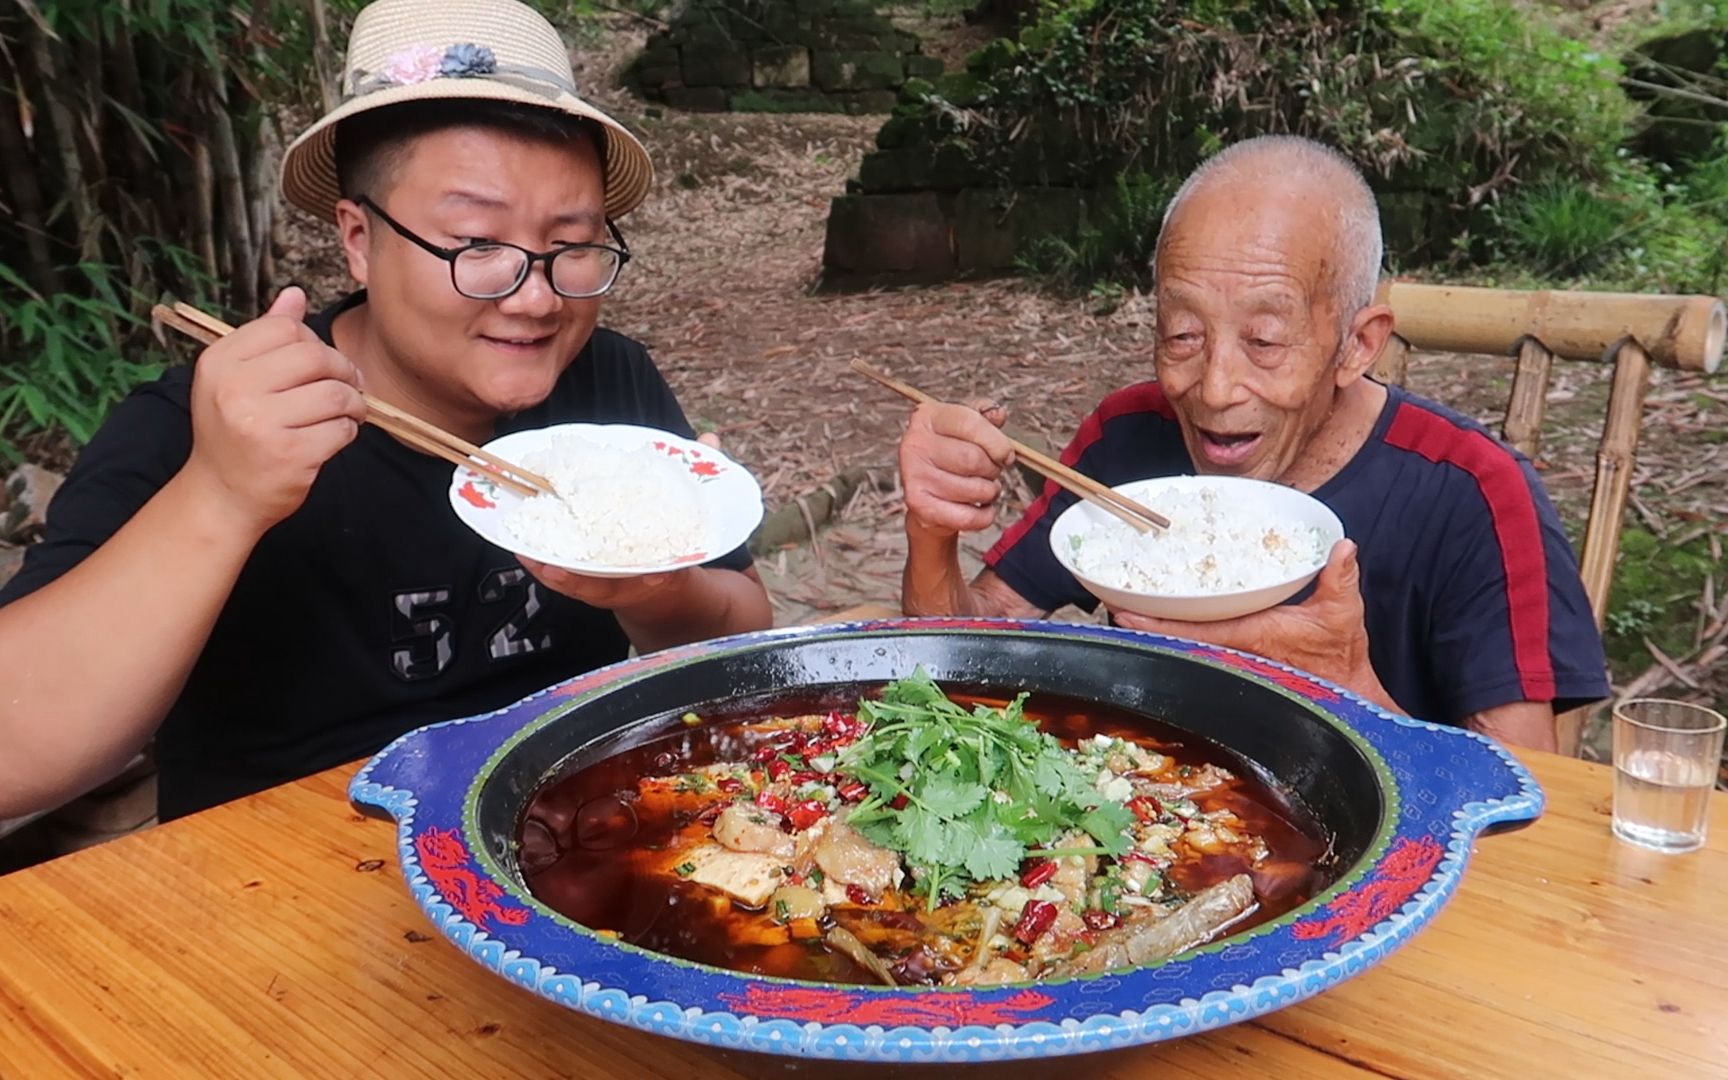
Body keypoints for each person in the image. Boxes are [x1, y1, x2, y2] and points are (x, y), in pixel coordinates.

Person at [0, 0, 771, 822]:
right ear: (359, 238)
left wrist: (650, 589)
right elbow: (16, 756)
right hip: (276, 877)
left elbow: (740, 631)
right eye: (477, 245)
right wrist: (221, 496)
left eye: (572, 245)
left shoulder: (607, 384)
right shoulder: (212, 422)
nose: (538, 298)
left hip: (548, 845)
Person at [896, 135, 1608, 752]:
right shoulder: (1128, 438)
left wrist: (1349, 682)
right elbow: (962, 652)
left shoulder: (1471, 489)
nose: (1214, 388)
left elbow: (1520, 797)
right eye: (1183, 334)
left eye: (1265, 340)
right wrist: (932, 529)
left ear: (1358, 345)